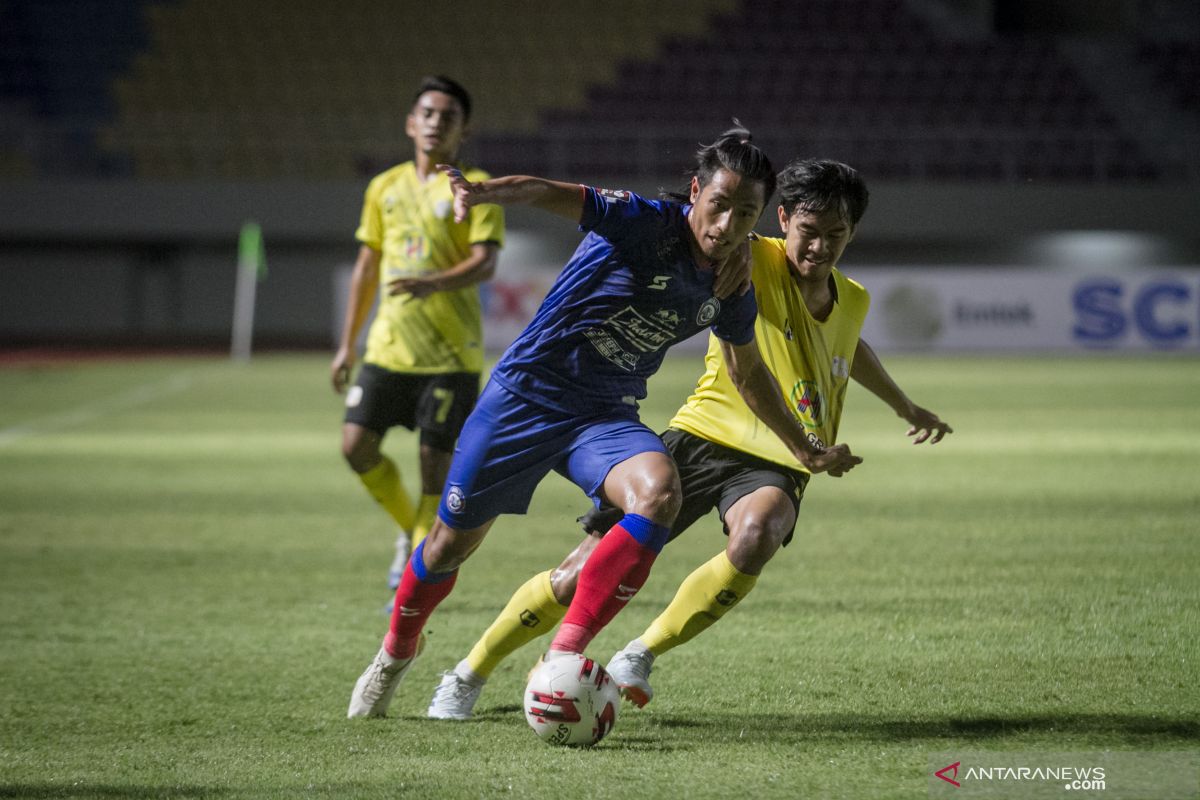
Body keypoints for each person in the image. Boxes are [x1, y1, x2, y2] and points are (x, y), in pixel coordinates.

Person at [347, 130, 863, 719]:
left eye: (745, 214)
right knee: (446, 547)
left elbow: (750, 374)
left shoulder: (731, 282)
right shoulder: (643, 222)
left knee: (659, 493)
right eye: (718, 204)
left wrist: (805, 447)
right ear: (696, 191)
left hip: (603, 415)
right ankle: (394, 655)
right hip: (523, 400)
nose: (725, 223)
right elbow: (548, 191)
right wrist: (483, 193)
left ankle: (564, 658)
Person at [423, 159, 952, 720]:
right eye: (808, 232)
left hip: (781, 453)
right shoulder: (749, 253)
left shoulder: (855, 297)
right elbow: (703, 224)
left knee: (758, 534)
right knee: (579, 571)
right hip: (702, 433)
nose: (819, 247)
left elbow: (849, 347)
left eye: (835, 236)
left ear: (853, 234)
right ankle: (468, 671)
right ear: (782, 221)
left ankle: (639, 653)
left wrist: (904, 404)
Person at [331, 76, 504, 590]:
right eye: (427, 113)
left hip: (451, 355)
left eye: (447, 117)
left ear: (463, 130)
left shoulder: (476, 185)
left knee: (435, 466)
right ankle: (410, 530)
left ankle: (415, 570)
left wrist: (432, 283)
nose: (435, 123)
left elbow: (485, 262)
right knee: (355, 446)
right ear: (411, 123)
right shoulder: (383, 187)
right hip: (388, 349)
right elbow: (367, 267)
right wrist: (347, 344)